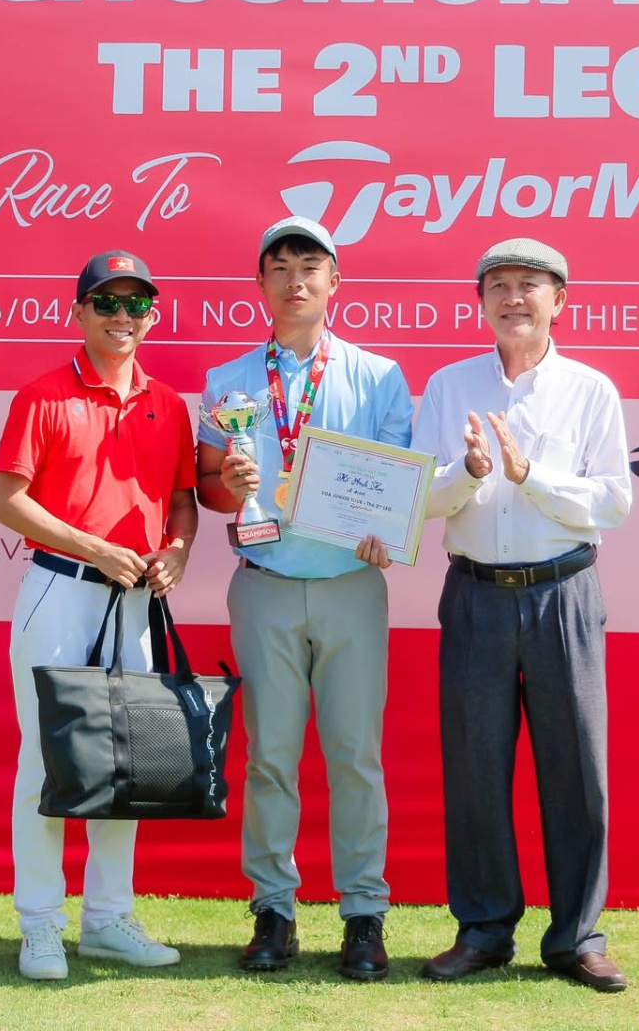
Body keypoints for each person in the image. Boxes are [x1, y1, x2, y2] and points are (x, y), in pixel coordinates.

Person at [410, 238, 634, 994]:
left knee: (577, 768)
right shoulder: (449, 386)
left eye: (529, 285)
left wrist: (531, 477)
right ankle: (483, 930)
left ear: (558, 300)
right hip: (474, 593)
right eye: (498, 285)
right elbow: (420, 499)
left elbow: (614, 501)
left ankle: (578, 937)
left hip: (563, 593)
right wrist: (468, 474)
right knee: (475, 766)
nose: (513, 298)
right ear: (480, 301)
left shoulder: (590, 390)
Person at [195, 216, 413, 981]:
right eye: (280, 266)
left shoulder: (379, 376)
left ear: (334, 282)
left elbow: (397, 487)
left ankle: (364, 913)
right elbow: (207, 487)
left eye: (310, 266)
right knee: (270, 759)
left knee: (356, 755)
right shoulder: (227, 380)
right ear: (260, 283)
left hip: (352, 585)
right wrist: (231, 485)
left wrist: (387, 531)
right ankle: (273, 909)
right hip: (265, 586)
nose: (296, 280)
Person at [0, 249, 198, 981]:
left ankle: (107, 919)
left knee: (126, 765)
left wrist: (178, 551)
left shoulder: (169, 404)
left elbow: (182, 500)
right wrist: (95, 548)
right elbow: (5, 501)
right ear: (79, 312)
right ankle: (41, 924)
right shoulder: (42, 395)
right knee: (46, 762)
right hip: (62, 591)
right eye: (106, 302)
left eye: (136, 304)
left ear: (152, 316)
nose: (122, 316)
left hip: (136, 601)